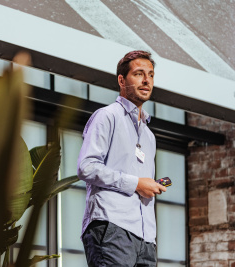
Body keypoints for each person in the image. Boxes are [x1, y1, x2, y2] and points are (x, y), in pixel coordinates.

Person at [77, 50, 167, 266]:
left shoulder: (149, 135)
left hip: (146, 237)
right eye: (138, 74)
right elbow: (86, 167)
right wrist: (136, 183)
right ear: (121, 80)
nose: (146, 80)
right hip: (112, 226)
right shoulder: (107, 116)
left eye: (151, 75)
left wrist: (149, 186)